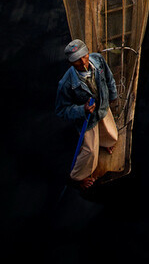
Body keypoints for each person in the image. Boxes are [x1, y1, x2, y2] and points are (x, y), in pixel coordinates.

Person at [55, 39, 119, 190]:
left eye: (84, 56)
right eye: (76, 60)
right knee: (90, 151)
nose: (82, 62)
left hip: (102, 107)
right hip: (87, 118)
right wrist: (81, 110)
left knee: (112, 136)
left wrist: (112, 95)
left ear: (88, 53)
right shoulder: (66, 84)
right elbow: (61, 110)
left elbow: (109, 78)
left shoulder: (97, 60)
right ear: (71, 63)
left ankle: (105, 142)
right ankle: (78, 177)